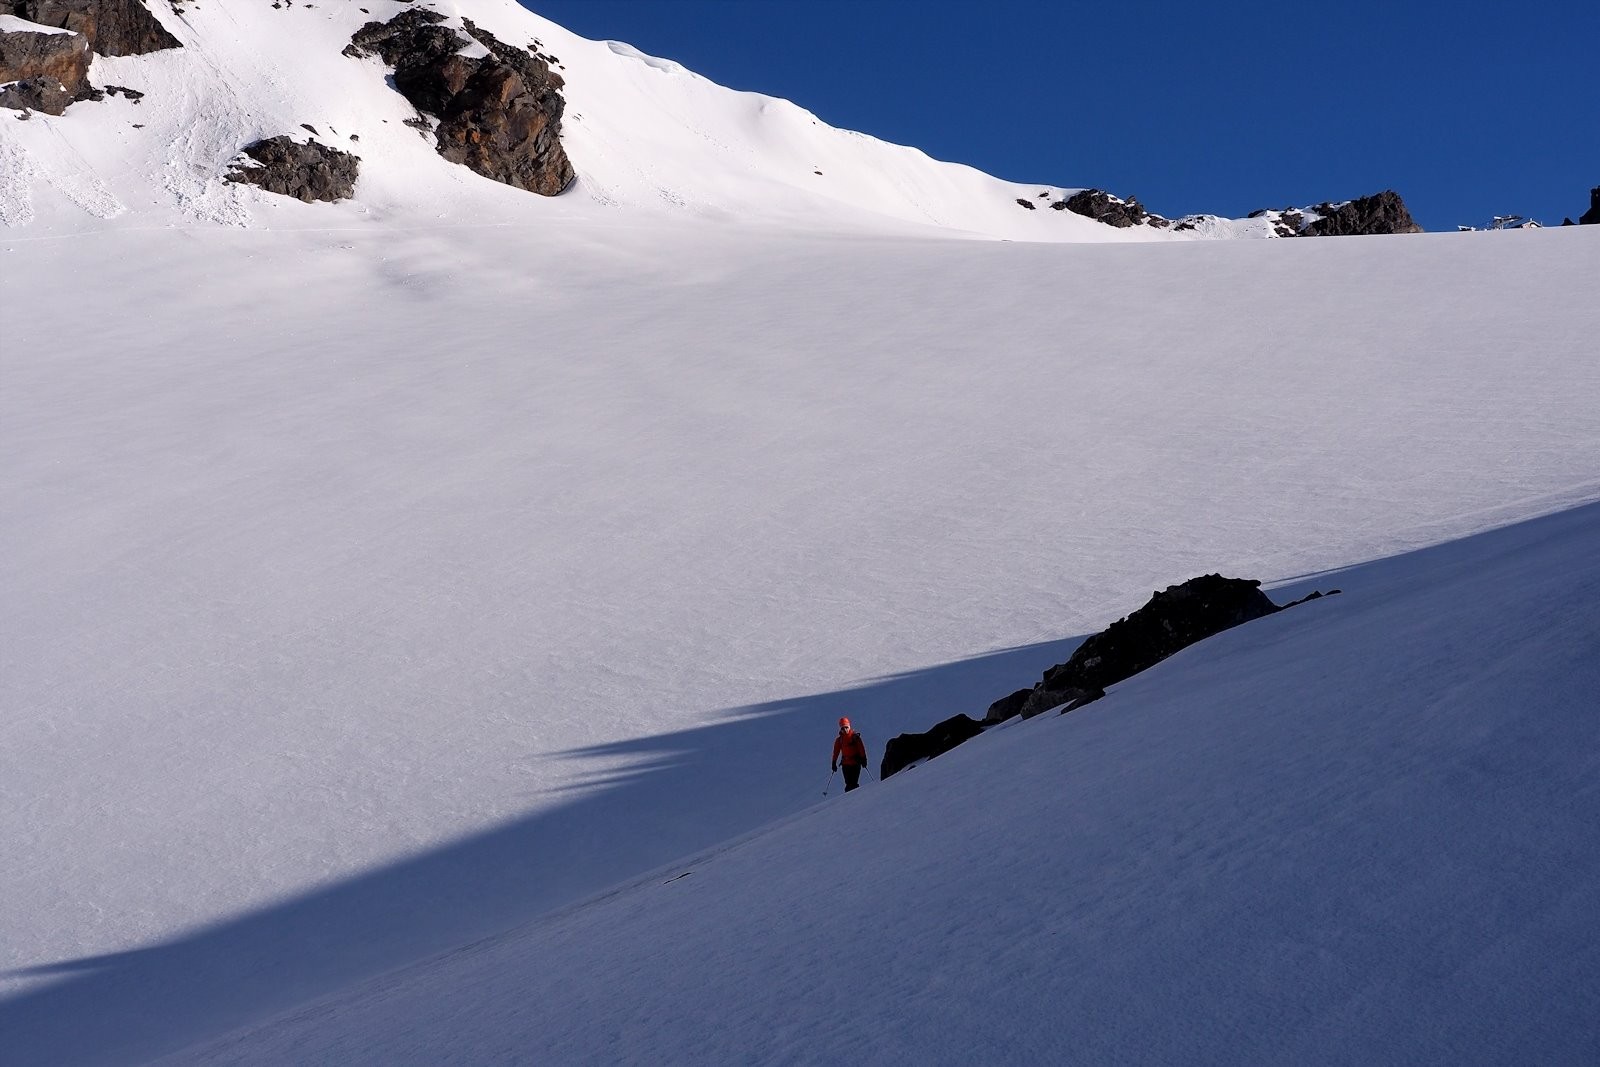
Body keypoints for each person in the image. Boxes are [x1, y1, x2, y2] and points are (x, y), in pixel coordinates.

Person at [831, 717, 868, 792]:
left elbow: (861, 749)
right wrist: (833, 762)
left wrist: (864, 759)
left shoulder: (855, 737)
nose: (844, 729)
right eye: (842, 728)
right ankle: (851, 799)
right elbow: (836, 751)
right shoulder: (839, 740)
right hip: (846, 764)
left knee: (853, 783)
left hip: (856, 763)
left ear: (849, 726)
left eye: (846, 727)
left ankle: (853, 799)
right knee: (848, 783)